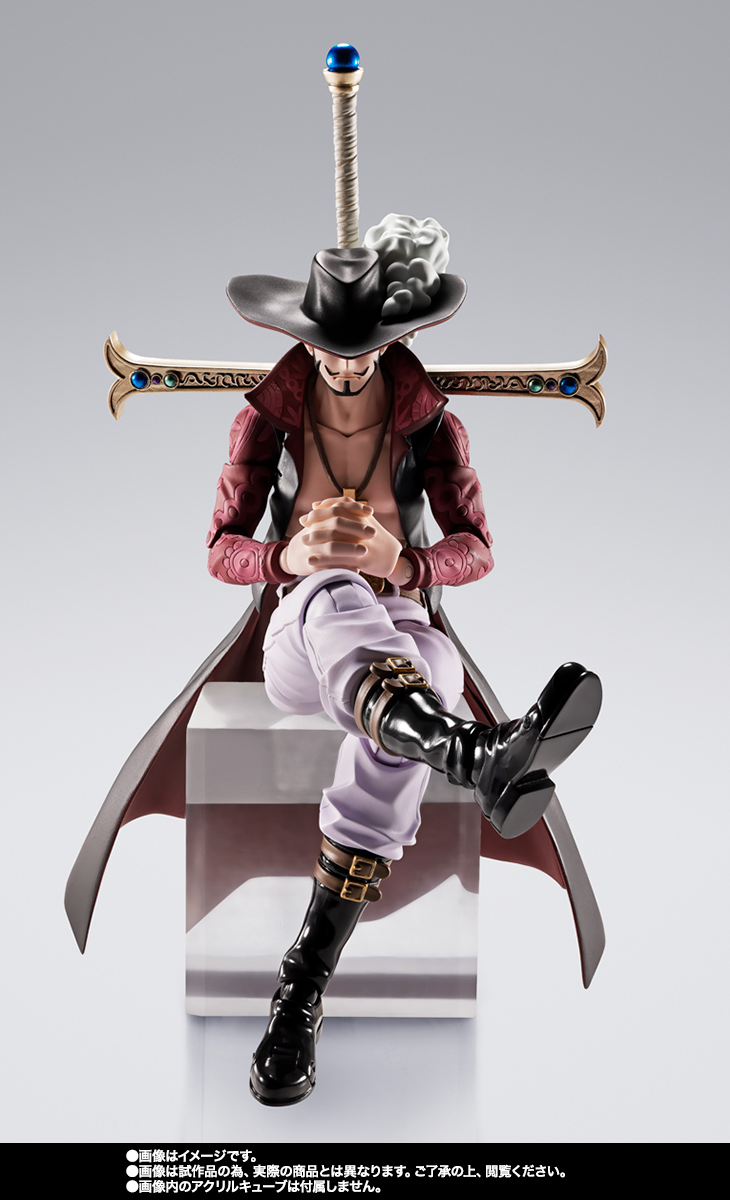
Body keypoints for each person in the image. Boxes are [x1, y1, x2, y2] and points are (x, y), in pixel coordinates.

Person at [210, 220, 603, 1105]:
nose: (345, 368)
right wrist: (288, 555)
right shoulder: (264, 420)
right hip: (300, 632)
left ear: (393, 341)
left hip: (397, 620)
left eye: (363, 351)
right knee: (335, 596)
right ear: (300, 338)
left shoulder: (431, 424)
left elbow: (476, 548)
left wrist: (407, 563)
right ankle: (472, 753)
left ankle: (298, 996)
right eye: (328, 350)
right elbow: (220, 548)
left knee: (421, 690)